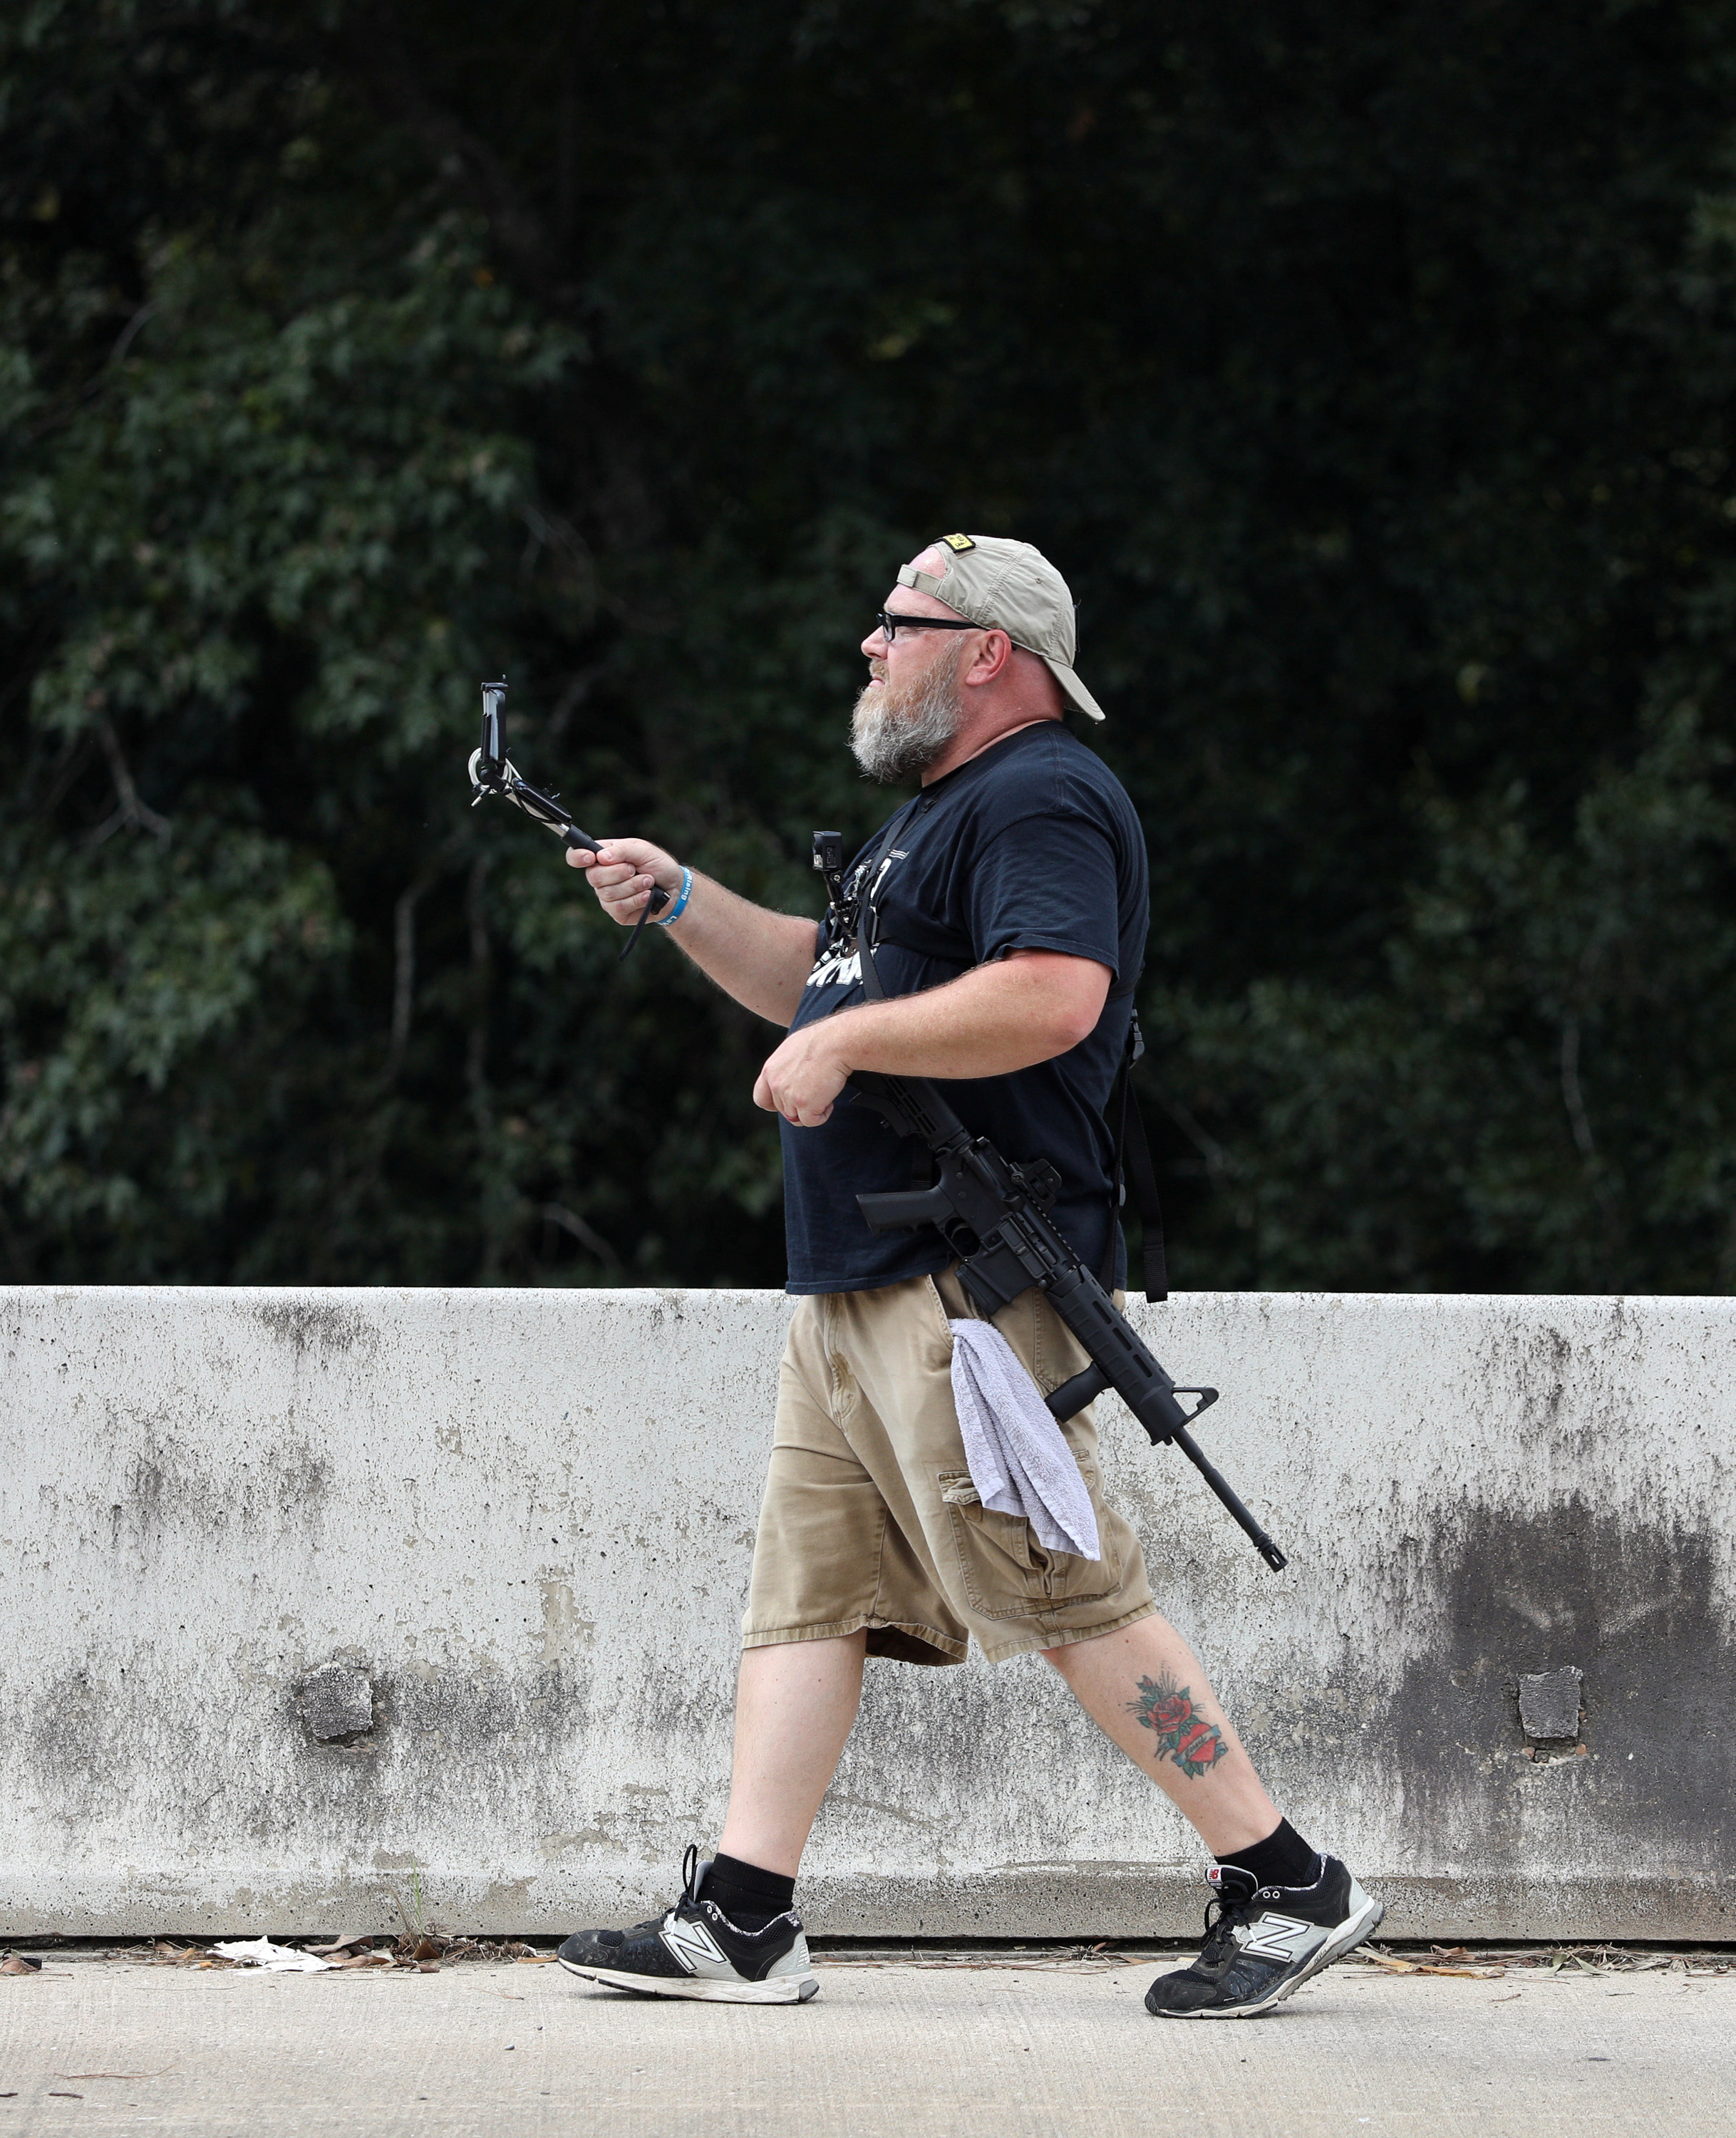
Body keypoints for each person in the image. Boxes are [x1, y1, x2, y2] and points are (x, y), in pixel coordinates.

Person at [545, 534, 1380, 2020]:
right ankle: (742, 1914)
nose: (868, 647)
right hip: (863, 1283)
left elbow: (1057, 994)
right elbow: (821, 979)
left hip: (962, 1288)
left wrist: (852, 1044)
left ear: (988, 650)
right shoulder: (928, 822)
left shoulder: (1041, 794)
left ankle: (1285, 1878)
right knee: (804, 1597)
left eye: (897, 624)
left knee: (1061, 1587)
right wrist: (681, 901)